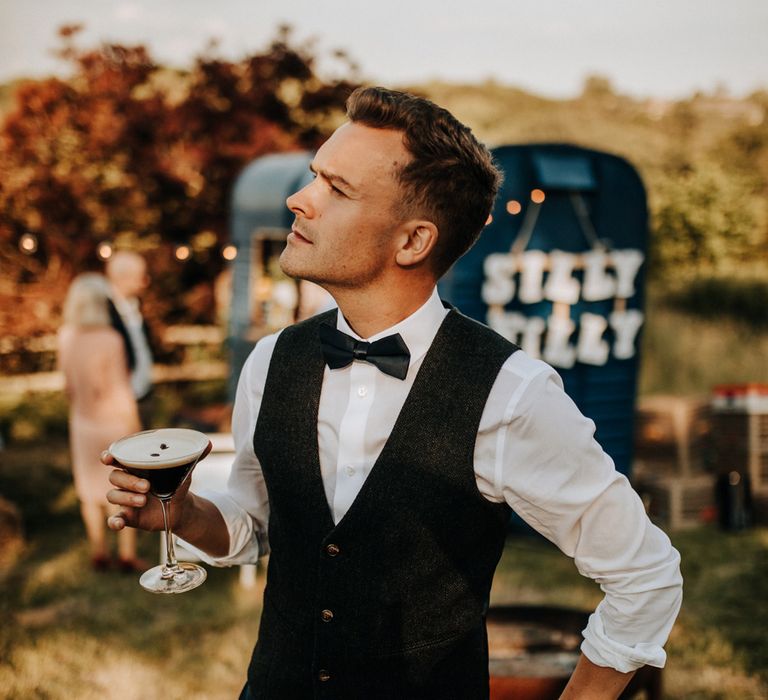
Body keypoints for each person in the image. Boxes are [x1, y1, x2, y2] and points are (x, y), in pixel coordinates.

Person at [106, 87, 682, 699]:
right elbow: (257, 525)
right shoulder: (271, 361)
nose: (299, 200)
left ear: (413, 242)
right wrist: (184, 513)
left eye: (337, 189)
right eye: (313, 177)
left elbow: (646, 576)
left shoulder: (511, 395)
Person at [58, 273, 144, 572]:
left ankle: (98, 551)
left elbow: (68, 387)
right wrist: (136, 431)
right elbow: (121, 391)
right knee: (121, 490)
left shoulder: (66, 336)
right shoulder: (111, 339)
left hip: (82, 422)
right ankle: (126, 554)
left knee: (88, 490)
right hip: (114, 426)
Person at [105, 250, 154, 428]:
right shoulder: (105, 311)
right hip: (119, 399)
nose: (145, 282)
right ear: (123, 277)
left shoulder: (135, 305)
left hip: (144, 392)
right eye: (140, 277)